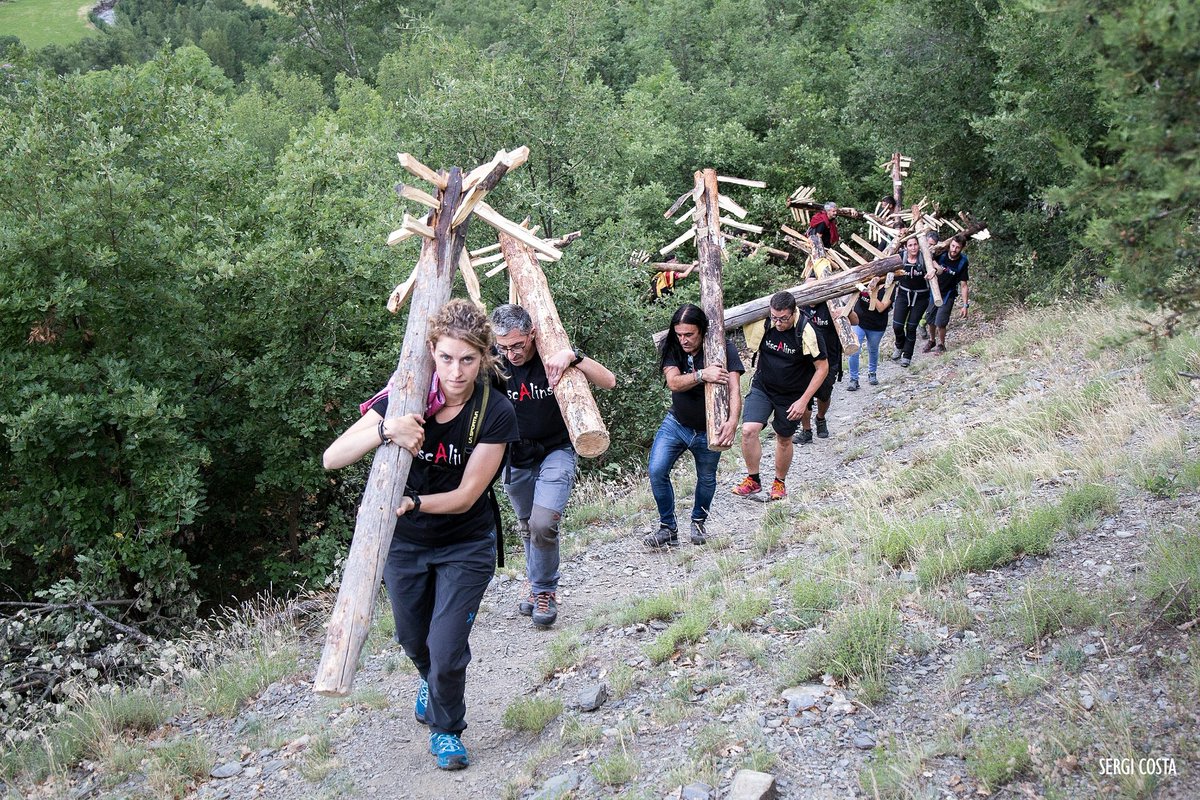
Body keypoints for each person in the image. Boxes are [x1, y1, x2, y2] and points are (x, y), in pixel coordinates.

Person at [322, 299, 518, 772]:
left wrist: (412, 503)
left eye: (468, 359)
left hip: (465, 542)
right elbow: (333, 456)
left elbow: (469, 494)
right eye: (447, 357)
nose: (456, 371)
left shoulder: (495, 411)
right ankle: (429, 679)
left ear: (485, 356)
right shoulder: (406, 396)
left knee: (447, 646)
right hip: (405, 543)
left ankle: (447, 730)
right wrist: (387, 429)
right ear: (431, 350)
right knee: (414, 640)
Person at [490, 304, 616, 628]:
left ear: (532, 334)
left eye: (518, 345)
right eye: (505, 347)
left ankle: (545, 589)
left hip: (555, 450)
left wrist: (574, 357)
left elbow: (610, 381)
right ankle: (535, 583)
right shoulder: (493, 359)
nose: (512, 353)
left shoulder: (552, 352)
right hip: (515, 454)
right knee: (526, 524)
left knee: (543, 522)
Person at [646, 303, 744, 548]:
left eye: (689, 334)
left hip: (710, 427)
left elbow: (734, 389)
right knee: (657, 470)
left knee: (707, 477)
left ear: (702, 331)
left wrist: (732, 422)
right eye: (679, 334)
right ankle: (668, 528)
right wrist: (702, 375)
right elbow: (674, 383)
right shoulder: (672, 347)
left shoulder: (723, 349)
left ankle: (698, 522)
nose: (684, 340)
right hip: (677, 423)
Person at [733, 292, 828, 501]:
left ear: (793, 312)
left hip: (792, 395)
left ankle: (779, 482)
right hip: (763, 386)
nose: (778, 323)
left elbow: (822, 368)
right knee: (748, 430)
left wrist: (803, 401)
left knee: (784, 439)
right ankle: (753, 480)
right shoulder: (765, 323)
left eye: (783, 319)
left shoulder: (807, 331)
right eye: (774, 317)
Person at [796, 276, 855, 443]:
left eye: (815, 288)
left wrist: (845, 312)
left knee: (823, 395)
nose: (811, 292)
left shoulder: (831, 304)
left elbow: (856, 321)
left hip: (829, 358)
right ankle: (806, 431)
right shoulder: (799, 307)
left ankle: (820, 418)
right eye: (808, 288)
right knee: (803, 397)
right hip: (804, 360)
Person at [890, 236, 933, 367]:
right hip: (903, 295)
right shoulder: (901, 257)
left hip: (920, 298)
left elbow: (938, 268)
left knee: (911, 327)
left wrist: (934, 271)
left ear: (919, 246)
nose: (913, 247)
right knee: (897, 326)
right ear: (906, 247)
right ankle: (899, 345)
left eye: (915, 244)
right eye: (910, 245)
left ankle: (907, 356)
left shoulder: (924, 257)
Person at [923, 238, 970, 354]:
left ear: (961, 248)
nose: (954, 249)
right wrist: (936, 267)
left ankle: (941, 344)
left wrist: (965, 305)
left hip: (948, 293)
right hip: (935, 290)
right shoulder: (942, 253)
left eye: (957, 247)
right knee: (930, 318)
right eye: (953, 246)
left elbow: (964, 285)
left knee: (941, 321)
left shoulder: (963, 262)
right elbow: (929, 258)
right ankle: (932, 340)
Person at [847, 276, 892, 390]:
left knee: (873, 349)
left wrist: (871, 293)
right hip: (859, 321)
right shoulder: (865, 280)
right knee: (854, 349)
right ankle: (854, 379)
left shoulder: (890, 287)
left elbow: (881, 308)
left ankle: (872, 373)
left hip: (876, 325)